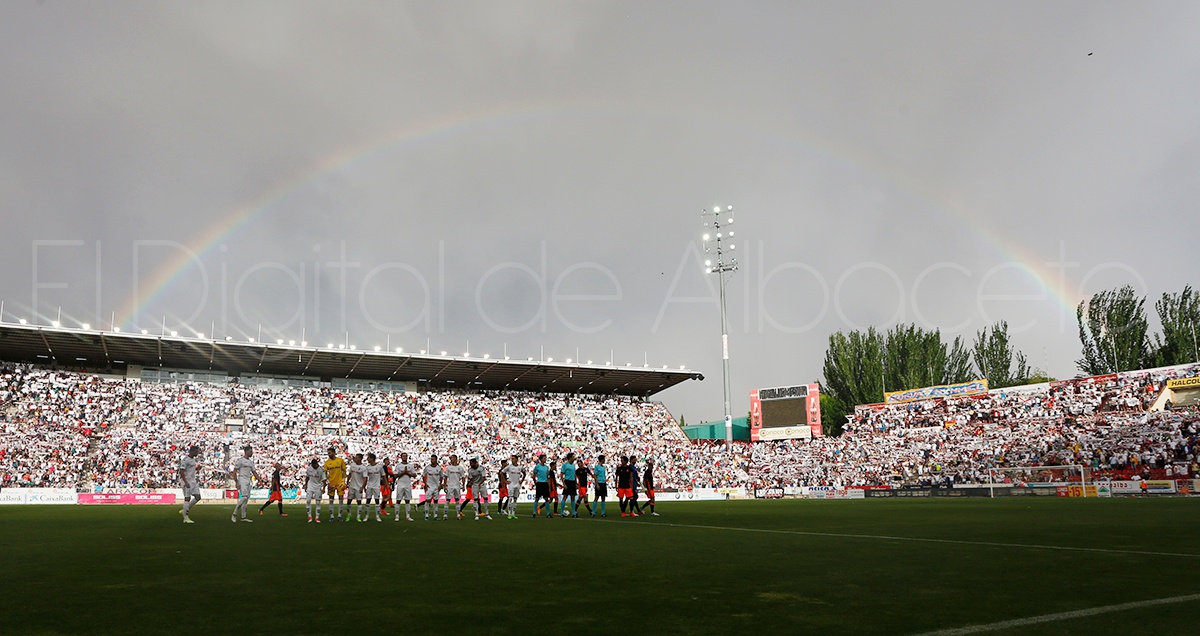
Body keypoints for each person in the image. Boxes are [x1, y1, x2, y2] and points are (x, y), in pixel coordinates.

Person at [230, 445, 259, 523]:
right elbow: (235, 471)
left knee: (246, 500)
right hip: (242, 479)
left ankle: (243, 517)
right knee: (244, 497)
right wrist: (236, 482)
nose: (252, 453)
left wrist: (259, 480)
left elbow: (254, 472)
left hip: (248, 480)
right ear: (246, 452)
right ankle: (234, 513)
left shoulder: (250, 462)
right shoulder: (240, 461)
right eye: (250, 451)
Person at [323, 447, 348, 522]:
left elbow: (344, 471)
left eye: (330, 453)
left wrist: (344, 481)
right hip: (331, 483)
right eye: (328, 453)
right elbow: (325, 474)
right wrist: (328, 483)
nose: (329, 454)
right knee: (331, 499)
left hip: (340, 483)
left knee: (341, 499)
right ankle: (332, 516)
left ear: (334, 453)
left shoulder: (340, 460)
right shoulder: (327, 462)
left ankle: (339, 516)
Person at [393, 452, 418, 522]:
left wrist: (408, 473)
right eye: (403, 456)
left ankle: (408, 516)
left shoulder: (410, 465)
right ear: (401, 457)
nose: (405, 457)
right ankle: (397, 516)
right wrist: (403, 472)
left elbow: (414, 475)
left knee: (407, 500)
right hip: (400, 484)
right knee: (398, 500)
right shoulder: (398, 466)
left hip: (407, 484)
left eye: (406, 456)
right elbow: (395, 475)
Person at [179, 445, 201, 524]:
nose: (197, 453)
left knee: (198, 497)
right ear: (191, 451)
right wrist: (185, 482)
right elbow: (181, 471)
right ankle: (185, 518)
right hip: (187, 481)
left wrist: (198, 468)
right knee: (187, 498)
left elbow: (191, 469)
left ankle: (185, 510)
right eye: (196, 451)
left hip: (193, 481)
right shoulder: (185, 460)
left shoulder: (193, 460)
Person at [423, 454, 445, 521]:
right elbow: (423, 476)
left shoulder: (439, 468)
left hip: (436, 487)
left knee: (436, 500)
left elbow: (441, 477)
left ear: (436, 460)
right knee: (428, 500)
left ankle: (435, 515)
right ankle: (426, 515)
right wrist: (425, 484)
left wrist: (440, 484)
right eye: (431, 459)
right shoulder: (427, 468)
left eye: (433, 459)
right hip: (429, 486)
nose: (432, 460)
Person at [303, 458, 325, 523]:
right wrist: (305, 485)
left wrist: (323, 488)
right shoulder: (309, 468)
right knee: (308, 501)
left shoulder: (321, 470)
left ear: (316, 464)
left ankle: (317, 517)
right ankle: (309, 516)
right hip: (310, 486)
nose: (314, 467)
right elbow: (307, 477)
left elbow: (324, 479)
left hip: (318, 486)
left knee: (318, 502)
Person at [363, 453, 383, 522]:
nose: (367, 459)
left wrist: (386, 485)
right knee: (368, 501)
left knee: (377, 501)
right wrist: (364, 486)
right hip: (369, 486)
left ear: (372, 458)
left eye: (368, 458)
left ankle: (377, 516)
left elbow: (384, 476)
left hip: (377, 486)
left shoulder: (379, 467)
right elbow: (365, 478)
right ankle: (366, 516)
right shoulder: (367, 467)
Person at [502, 455, 524, 519]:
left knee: (515, 499)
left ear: (517, 459)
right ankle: (509, 513)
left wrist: (522, 480)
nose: (512, 460)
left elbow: (524, 473)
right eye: (512, 459)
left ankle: (513, 513)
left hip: (517, 484)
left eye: (513, 459)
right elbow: (501, 472)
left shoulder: (520, 467)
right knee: (510, 498)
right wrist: (505, 481)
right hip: (511, 485)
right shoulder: (509, 467)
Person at [347, 453, 367, 522]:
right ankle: (349, 515)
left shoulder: (363, 468)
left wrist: (362, 487)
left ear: (360, 459)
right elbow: (349, 474)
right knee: (349, 501)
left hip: (359, 487)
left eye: (356, 457)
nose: (355, 458)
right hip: (352, 486)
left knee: (359, 501)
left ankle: (358, 517)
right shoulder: (352, 465)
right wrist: (347, 482)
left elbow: (365, 478)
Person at [445, 455, 466, 520]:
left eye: (452, 458)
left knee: (457, 500)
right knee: (448, 500)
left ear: (456, 459)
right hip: (450, 486)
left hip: (457, 486)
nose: (451, 460)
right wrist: (445, 485)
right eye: (451, 458)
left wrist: (463, 485)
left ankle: (458, 515)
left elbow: (463, 477)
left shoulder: (460, 468)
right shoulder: (448, 468)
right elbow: (445, 477)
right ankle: (445, 515)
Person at [560, 452, 578, 518]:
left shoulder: (573, 465)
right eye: (573, 457)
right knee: (565, 496)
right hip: (567, 482)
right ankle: (561, 513)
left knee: (573, 497)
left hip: (573, 482)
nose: (574, 458)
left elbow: (574, 474)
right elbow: (561, 474)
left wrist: (576, 483)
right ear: (570, 458)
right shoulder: (565, 465)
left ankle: (573, 513)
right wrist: (564, 483)